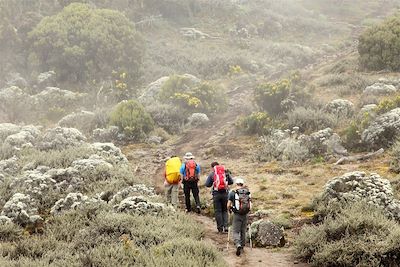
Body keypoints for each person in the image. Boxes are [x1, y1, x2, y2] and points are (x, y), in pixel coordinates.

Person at [205, 161, 233, 233]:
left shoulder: (212, 173)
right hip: (225, 194)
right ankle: (226, 227)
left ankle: (220, 228)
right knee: (225, 210)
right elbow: (231, 182)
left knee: (218, 211)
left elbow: (207, 184)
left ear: (212, 167)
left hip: (216, 194)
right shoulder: (225, 172)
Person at [227, 177, 252, 256]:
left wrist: (230, 210)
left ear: (236, 184)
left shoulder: (233, 192)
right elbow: (250, 204)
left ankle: (237, 244)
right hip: (245, 214)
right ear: (242, 184)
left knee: (235, 231)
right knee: (243, 231)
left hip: (237, 214)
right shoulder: (247, 192)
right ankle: (242, 246)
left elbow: (228, 205)